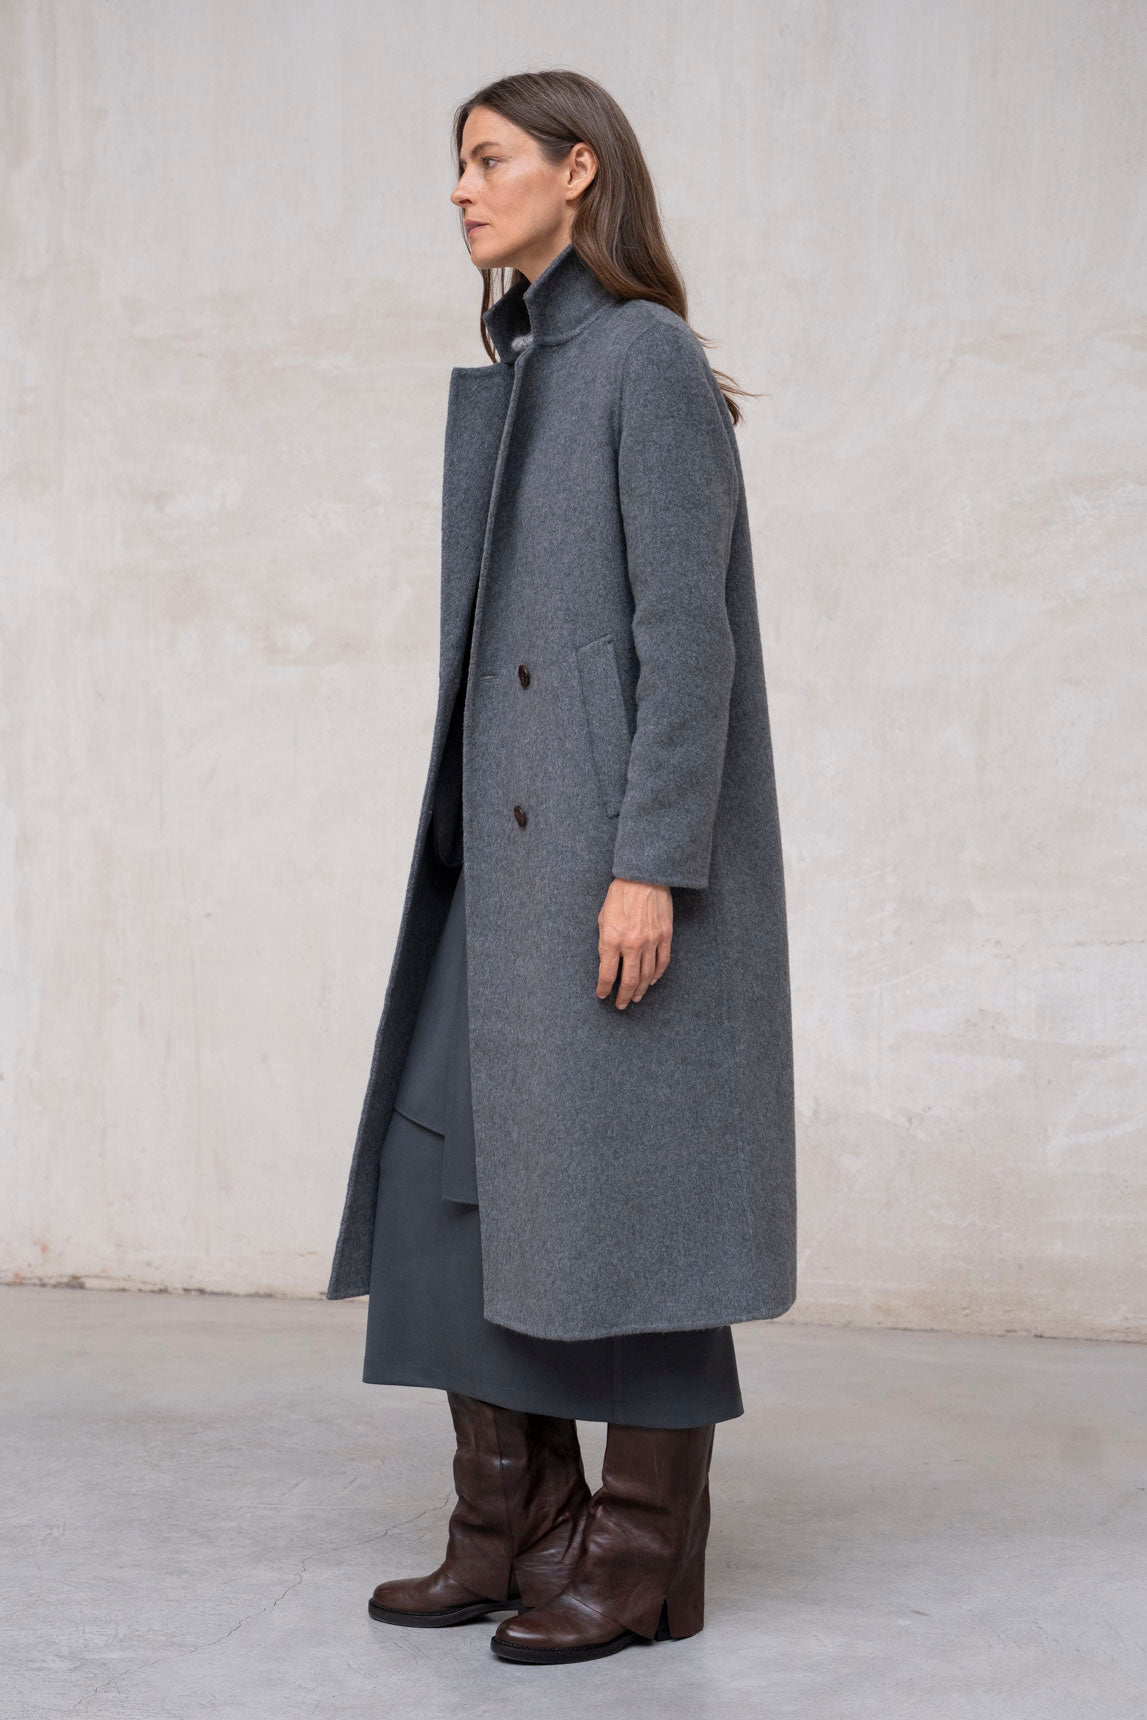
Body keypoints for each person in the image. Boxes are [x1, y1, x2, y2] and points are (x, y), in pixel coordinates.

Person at [325, 68, 796, 1666]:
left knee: (643, 1195)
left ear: (577, 170)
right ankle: (518, 1525)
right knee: (445, 1175)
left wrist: (652, 860)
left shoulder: (642, 357)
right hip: (508, 863)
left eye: (489, 159)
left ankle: (645, 1556)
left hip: (608, 861)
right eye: (456, 164)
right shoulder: (530, 359)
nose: (461, 190)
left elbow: (689, 639)